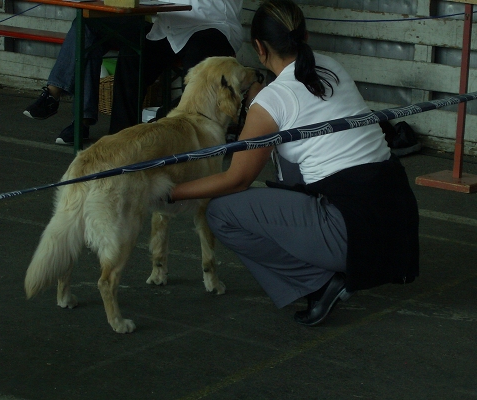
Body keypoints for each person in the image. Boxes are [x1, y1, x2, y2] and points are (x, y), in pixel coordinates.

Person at [166, 0, 420, 326]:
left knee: (221, 213)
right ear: (305, 35)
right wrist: (260, 95)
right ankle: (343, 263)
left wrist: (171, 192)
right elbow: (293, 102)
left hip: (350, 232)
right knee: (288, 159)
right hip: (398, 223)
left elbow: (236, 180)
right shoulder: (331, 67)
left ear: (258, 47)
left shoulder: (271, 103)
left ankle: (318, 282)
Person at [108, 0, 244, 134]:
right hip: (168, 26)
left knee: (198, 66)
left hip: (213, 24)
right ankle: (120, 137)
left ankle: (186, 137)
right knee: (132, 53)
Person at [22, 17, 136, 145]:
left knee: (83, 24)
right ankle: (82, 123)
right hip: (114, 20)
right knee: (90, 47)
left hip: (142, 23)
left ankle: (53, 93)